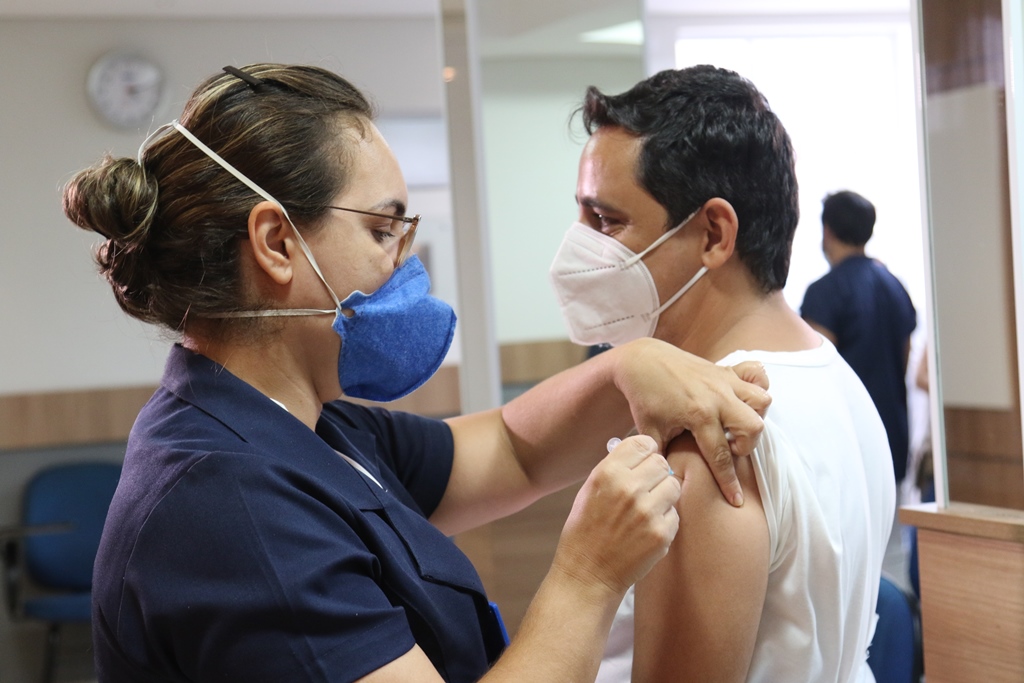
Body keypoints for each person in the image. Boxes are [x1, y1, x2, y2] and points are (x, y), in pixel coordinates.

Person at [62, 63, 771, 683]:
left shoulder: (307, 423)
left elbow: (513, 451)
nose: (404, 262)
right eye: (380, 229)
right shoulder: (227, 504)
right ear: (276, 242)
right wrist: (588, 574)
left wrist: (629, 365)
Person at [548, 66, 896, 681]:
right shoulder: (836, 379)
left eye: (606, 222)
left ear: (714, 233)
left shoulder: (711, 434)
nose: (579, 250)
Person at [801, 190, 917, 483]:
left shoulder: (824, 293)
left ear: (827, 230)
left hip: (848, 442)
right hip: (893, 434)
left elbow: (816, 377)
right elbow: (904, 358)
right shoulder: (894, 286)